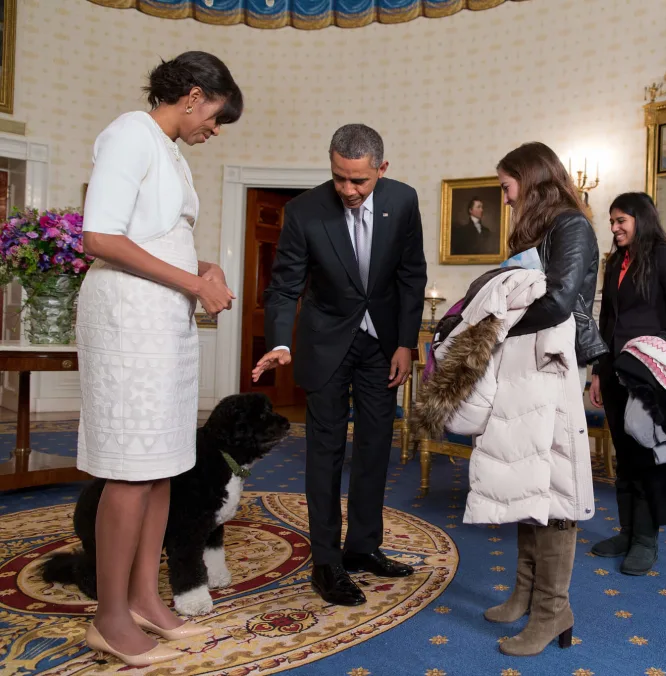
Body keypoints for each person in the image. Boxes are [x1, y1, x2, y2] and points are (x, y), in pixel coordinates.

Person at [75, 51, 242, 666]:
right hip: (127, 320)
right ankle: (109, 615)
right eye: (216, 117)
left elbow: (153, 236)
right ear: (194, 95)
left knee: (165, 462)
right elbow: (100, 237)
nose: (213, 130)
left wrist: (202, 268)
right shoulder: (129, 133)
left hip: (161, 319)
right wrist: (195, 285)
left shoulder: (168, 149)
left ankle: (145, 596)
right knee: (130, 466)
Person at [254, 124, 427, 606]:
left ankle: (364, 548)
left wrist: (405, 343)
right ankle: (327, 562)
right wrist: (280, 343)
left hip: (382, 345)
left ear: (382, 170)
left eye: (359, 182)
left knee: (375, 449)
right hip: (326, 342)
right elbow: (286, 285)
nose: (348, 191)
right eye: (339, 179)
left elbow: (413, 275)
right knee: (325, 453)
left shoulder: (404, 201)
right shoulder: (304, 211)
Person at [483, 142, 599, 657]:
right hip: (529, 368)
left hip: (554, 369)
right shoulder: (542, 230)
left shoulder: (571, 226)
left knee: (552, 488)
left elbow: (557, 303)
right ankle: (527, 593)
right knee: (529, 481)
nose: (505, 199)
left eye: (508, 188)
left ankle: (553, 609)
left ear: (529, 181)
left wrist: (494, 327)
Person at [587, 192, 666, 575]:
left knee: (647, 456)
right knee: (624, 456)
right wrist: (598, 373)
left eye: (621, 221)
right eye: (612, 222)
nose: (614, 228)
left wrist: (657, 356)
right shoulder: (615, 261)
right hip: (615, 372)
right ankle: (628, 530)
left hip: (649, 376)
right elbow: (607, 322)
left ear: (641, 219)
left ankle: (646, 540)